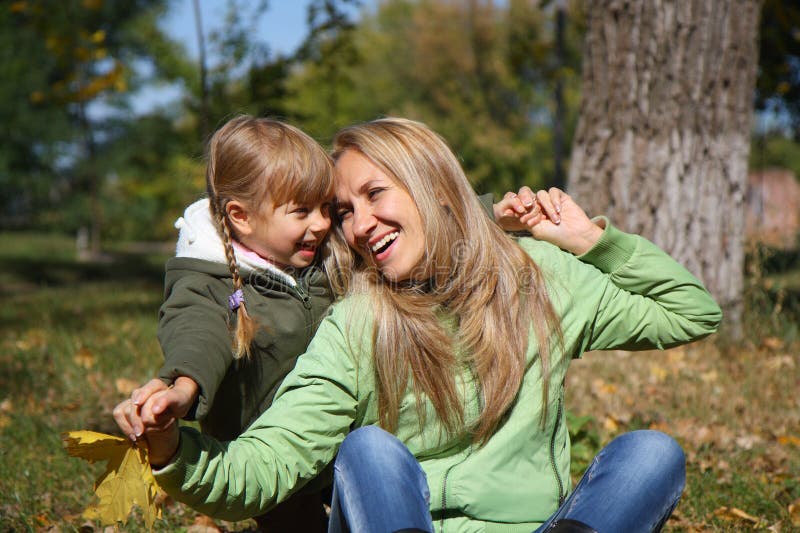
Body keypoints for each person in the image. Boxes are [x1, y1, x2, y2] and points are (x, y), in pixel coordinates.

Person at [116, 117, 722, 533]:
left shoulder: (541, 278)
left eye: (375, 194)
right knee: (368, 451)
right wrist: (173, 450)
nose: (356, 226)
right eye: (345, 212)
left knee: (651, 454)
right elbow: (269, 460)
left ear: (431, 183)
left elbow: (692, 312)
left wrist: (591, 241)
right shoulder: (359, 318)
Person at [113, 115, 337, 532]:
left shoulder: (320, 250)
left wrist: (488, 213)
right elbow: (199, 329)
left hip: (335, 430)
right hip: (267, 452)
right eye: (302, 211)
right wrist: (183, 385)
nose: (322, 223)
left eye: (327, 207)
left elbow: (399, 232)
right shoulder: (212, 279)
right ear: (241, 216)